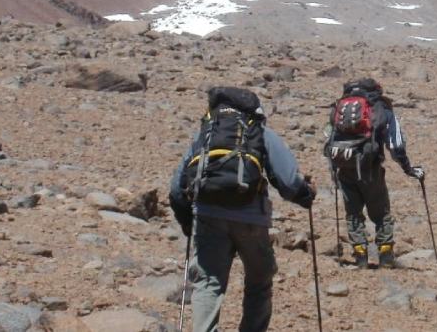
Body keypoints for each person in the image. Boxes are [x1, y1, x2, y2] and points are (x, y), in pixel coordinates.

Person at [169, 87, 316, 332]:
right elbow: (288, 181)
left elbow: (177, 188)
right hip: (251, 219)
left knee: (208, 282)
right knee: (259, 281)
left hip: (208, 216)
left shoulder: (204, 136)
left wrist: (188, 223)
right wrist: (306, 195)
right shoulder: (260, 132)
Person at [324, 78, 423, 269]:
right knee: (381, 212)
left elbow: (328, 136)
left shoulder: (339, 108)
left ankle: (360, 254)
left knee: (353, 213)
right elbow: (395, 143)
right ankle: (385, 255)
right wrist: (408, 168)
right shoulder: (380, 108)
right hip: (370, 168)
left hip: (344, 165)